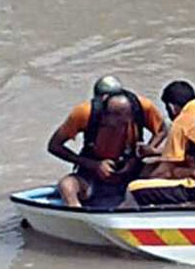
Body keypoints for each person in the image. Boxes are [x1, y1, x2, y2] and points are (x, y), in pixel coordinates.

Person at [47, 76, 167, 207]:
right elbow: (54, 146)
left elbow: (162, 129)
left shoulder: (142, 107)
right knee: (67, 185)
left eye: (125, 120)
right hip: (93, 174)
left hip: (132, 169)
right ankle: (78, 215)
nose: (120, 127)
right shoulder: (84, 113)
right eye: (114, 118)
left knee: (168, 168)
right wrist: (94, 165)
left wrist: (144, 152)